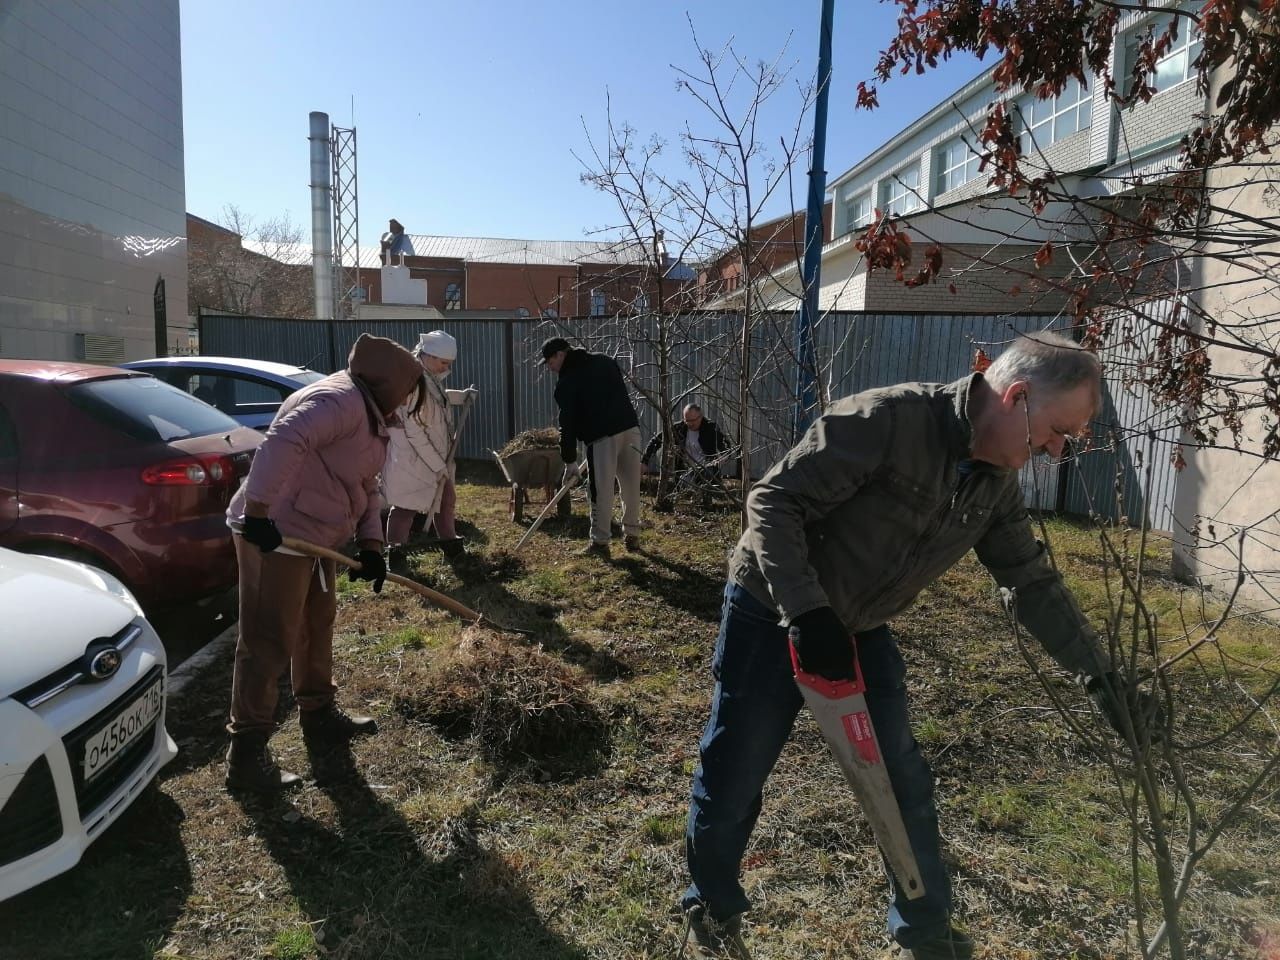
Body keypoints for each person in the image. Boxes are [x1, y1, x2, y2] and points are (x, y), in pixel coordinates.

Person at [680, 332, 1160, 959]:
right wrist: (806, 609)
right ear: (1016, 398)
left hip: (860, 624)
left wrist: (1103, 679)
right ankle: (711, 909)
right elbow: (773, 501)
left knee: (901, 776)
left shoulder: (994, 485)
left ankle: (927, 934)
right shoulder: (889, 421)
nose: (1058, 449)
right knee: (738, 765)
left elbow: (1032, 581)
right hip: (770, 606)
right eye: (1058, 431)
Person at [225, 333, 425, 793]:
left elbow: (366, 483)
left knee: (317, 623)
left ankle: (318, 715)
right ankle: (247, 755)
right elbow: (286, 437)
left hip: (315, 538)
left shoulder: (370, 412)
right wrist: (258, 513)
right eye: (409, 390)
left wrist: (372, 544)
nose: (409, 401)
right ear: (389, 383)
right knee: (268, 639)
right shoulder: (339, 400)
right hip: (275, 534)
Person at [542, 335, 642, 558]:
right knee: (631, 485)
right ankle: (633, 535)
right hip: (631, 429)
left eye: (550, 362)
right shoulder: (604, 360)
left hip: (602, 438)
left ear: (561, 354)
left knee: (600, 490)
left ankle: (600, 542)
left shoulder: (567, 381)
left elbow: (567, 424)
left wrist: (569, 460)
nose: (550, 368)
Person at [383, 330, 477, 558]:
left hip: (436, 456)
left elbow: (435, 400)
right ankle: (396, 556)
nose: (447, 368)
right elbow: (414, 432)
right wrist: (437, 464)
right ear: (429, 356)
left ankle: (450, 545)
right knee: (406, 507)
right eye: (444, 363)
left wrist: (461, 396)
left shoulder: (427, 377)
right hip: (413, 457)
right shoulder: (411, 381)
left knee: (446, 500)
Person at [641, 403, 733, 503]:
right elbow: (656, 441)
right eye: (687, 420)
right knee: (684, 482)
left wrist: (724, 457)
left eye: (693, 420)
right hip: (685, 469)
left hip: (707, 469)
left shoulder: (711, 428)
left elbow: (726, 446)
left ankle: (707, 500)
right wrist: (645, 461)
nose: (690, 424)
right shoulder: (679, 429)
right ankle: (690, 498)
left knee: (707, 477)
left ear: (701, 417)